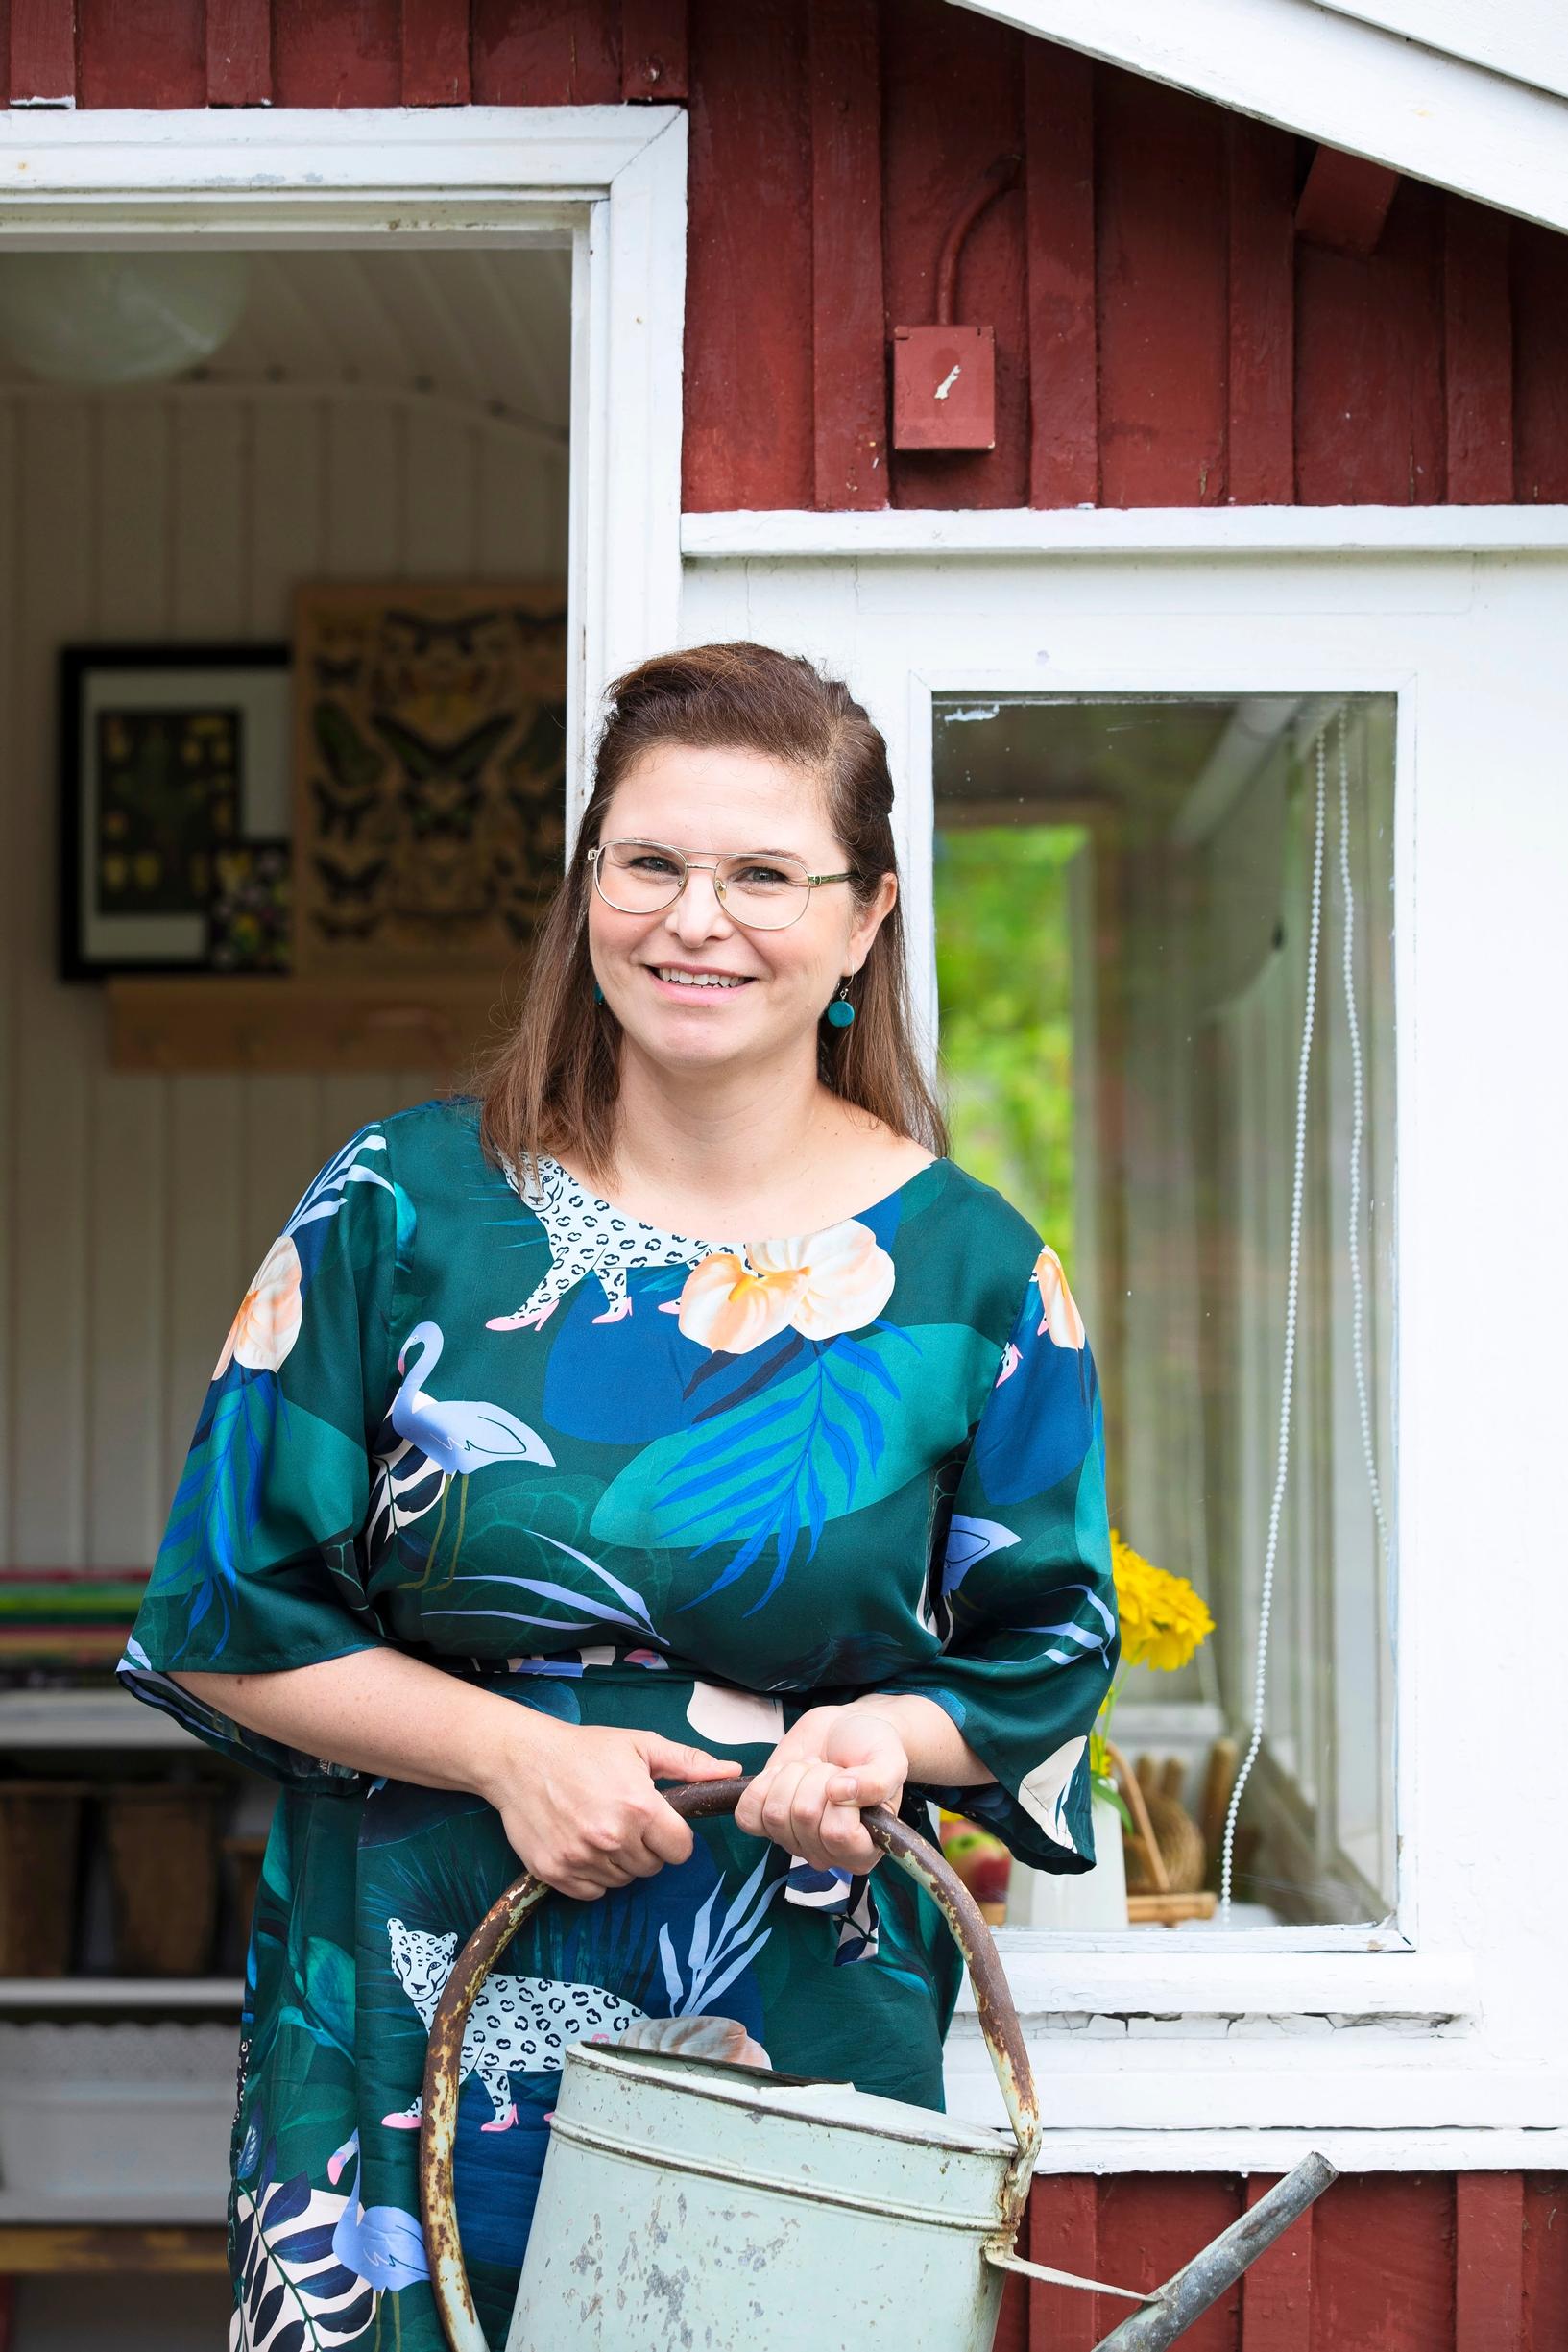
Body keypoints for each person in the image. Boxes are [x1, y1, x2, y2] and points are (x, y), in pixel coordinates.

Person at [120, 640, 1119, 2350]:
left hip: (791, 2007)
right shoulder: (398, 1206)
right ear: (588, 885)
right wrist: (512, 1751)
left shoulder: (977, 1272)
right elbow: (221, 1616)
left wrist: (879, 1740)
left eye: (761, 874)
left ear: (865, 919)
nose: (693, 919)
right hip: (408, 1995)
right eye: (647, 863)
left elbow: (1043, 1652)